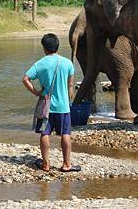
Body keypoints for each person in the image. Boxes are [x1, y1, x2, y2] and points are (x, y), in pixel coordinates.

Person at [22, 33, 80, 172]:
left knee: (45, 133)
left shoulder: (40, 63)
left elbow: (25, 79)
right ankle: (66, 164)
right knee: (65, 133)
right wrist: (69, 98)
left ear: (44, 48)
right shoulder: (67, 63)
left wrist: (36, 92)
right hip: (63, 106)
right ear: (57, 46)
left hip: (45, 106)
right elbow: (70, 85)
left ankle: (46, 164)